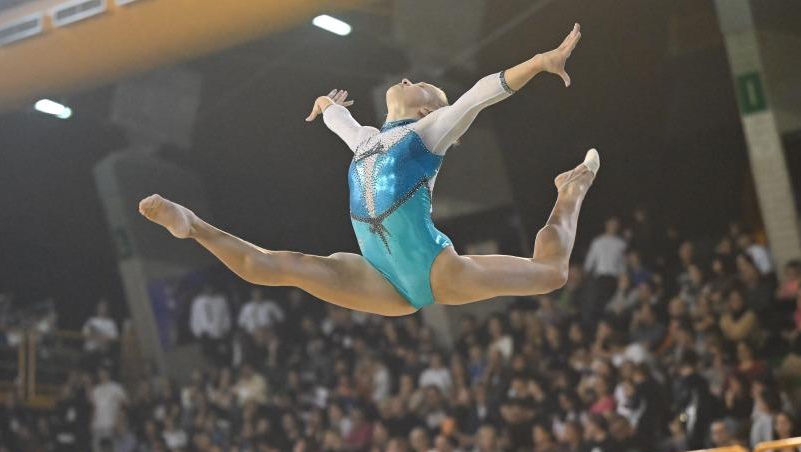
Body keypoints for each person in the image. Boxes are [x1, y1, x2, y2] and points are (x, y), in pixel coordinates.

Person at [139, 25, 598, 316]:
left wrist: (539, 62)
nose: (407, 80)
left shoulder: (429, 134)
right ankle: (194, 227)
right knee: (279, 265)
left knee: (552, 274)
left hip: (434, 269)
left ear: (427, 109)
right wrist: (326, 105)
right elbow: (339, 119)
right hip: (378, 278)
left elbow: (479, 95)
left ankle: (568, 195)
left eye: (421, 86)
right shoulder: (366, 140)